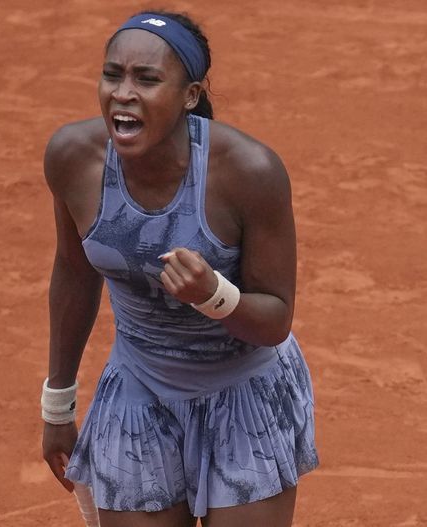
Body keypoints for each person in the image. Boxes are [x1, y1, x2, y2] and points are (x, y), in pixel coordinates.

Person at [39, 9, 319, 527]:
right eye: (112, 74)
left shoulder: (248, 173)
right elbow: (74, 274)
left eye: (146, 79)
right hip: (138, 396)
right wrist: (58, 407)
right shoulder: (73, 159)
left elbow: (275, 320)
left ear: (190, 96)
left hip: (244, 398)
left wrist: (214, 294)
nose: (123, 92)